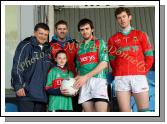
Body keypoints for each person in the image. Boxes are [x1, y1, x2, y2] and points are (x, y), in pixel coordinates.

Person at [108, 7, 154, 112]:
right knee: (125, 113)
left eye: (124, 16)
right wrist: (118, 72)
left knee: (144, 111)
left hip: (139, 76)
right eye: (119, 18)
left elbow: (149, 56)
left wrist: (142, 70)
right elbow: (112, 61)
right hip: (121, 78)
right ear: (117, 20)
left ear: (130, 17)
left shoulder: (141, 35)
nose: (122, 20)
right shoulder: (112, 39)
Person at [11, 23, 52, 112]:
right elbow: (17, 66)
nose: (43, 36)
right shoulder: (25, 45)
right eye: (41, 33)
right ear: (35, 33)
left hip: (42, 96)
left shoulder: (48, 50)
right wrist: (18, 85)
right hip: (26, 94)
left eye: (46, 34)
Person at [74, 18, 109, 112]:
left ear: (92, 29)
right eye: (82, 29)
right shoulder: (78, 47)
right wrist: (74, 83)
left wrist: (85, 77)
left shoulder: (100, 42)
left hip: (99, 81)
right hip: (84, 84)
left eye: (87, 28)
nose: (84, 31)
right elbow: (78, 68)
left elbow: (104, 63)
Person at [50, 20, 82, 112]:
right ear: (56, 30)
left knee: (75, 110)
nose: (62, 31)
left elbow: (79, 63)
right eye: (60, 29)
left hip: (72, 81)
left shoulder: (74, 44)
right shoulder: (50, 45)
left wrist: (78, 76)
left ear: (67, 30)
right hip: (57, 83)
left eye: (64, 29)